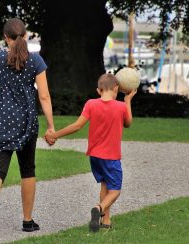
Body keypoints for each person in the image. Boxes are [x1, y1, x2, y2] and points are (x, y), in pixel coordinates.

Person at [0, 17, 54, 235]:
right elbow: (45, 96)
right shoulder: (35, 60)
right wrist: (51, 126)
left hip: (0, 121)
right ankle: (27, 221)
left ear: (5, 37)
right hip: (26, 123)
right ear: (25, 36)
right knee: (28, 170)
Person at [45, 73, 137, 232]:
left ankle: (105, 221)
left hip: (94, 156)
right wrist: (127, 101)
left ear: (98, 90)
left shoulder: (91, 104)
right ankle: (99, 208)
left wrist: (55, 135)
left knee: (105, 185)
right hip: (111, 157)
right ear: (116, 89)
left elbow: (76, 126)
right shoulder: (121, 107)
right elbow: (128, 123)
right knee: (115, 190)